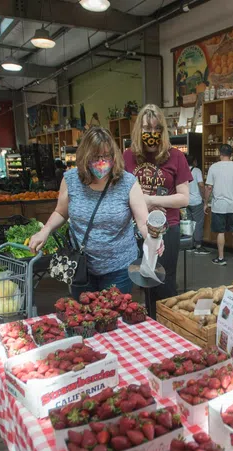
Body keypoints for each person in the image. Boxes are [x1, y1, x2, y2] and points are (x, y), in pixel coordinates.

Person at [28, 127, 161, 296]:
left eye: (106, 156)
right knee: (84, 317)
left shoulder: (127, 182)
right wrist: (44, 231)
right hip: (82, 267)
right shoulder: (71, 180)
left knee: (113, 315)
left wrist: (152, 239)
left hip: (119, 268)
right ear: (85, 157)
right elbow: (61, 212)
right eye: (95, 157)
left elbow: (142, 222)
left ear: (114, 156)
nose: (101, 161)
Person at [123, 104, 192, 302]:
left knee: (164, 281)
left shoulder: (176, 156)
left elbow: (184, 198)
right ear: (139, 130)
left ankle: (166, 326)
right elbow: (120, 193)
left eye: (157, 129)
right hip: (134, 228)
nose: (152, 133)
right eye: (147, 129)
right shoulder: (128, 156)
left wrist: (149, 200)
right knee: (141, 281)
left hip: (166, 228)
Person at [205, 144, 233, 265]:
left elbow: (209, 187)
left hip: (219, 205)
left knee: (220, 231)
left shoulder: (214, 167)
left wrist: (205, 202)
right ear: (231, 154)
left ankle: (221, 258)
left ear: (220, 153)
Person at [185, 154, 209, 255]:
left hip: (186, 201)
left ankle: (189, 245)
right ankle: (198, 245)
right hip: (196, 201)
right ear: (194, 161)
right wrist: (204, 197)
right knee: (198, 223)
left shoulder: (183, 170)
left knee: (189, 223)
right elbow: (201, 185)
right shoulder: (197, 171)